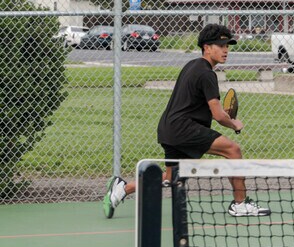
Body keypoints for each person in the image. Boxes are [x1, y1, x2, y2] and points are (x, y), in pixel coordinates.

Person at [103, 24, 271, 218]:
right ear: (207, 47)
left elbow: (197, 104)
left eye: (228, 46)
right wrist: (234, 123)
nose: (226, 50)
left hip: (168, 129)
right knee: (233, 150)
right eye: (221, 45)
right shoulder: (207, 74)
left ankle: (122, 189)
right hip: (183, 129)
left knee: (171, 177)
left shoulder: (192, 65)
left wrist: (222, 115)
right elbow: (217, 115)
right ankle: (240, 204)